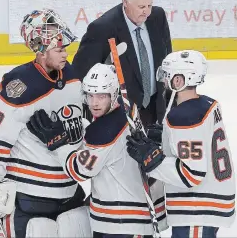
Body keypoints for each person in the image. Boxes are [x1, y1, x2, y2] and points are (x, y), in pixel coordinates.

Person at [0, 9, 92, 238]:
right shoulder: (18, 86)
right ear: (40, 49)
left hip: (70, 192)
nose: (65, 53)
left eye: (65, 48)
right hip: (30, 198)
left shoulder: (73, 77)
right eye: (58, 48)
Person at [30, 63, 168, 238]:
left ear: (113, 94)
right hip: (131, 214)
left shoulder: (103, 131)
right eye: (90, 95)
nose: (94, 103)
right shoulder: (127, 106)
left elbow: (79, 171)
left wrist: (58, 143)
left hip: (121, 221)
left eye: (101, 96)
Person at [126, 50, 236, 238]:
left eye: (166, 77)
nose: (163, 82)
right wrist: (167, 139)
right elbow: (199, 143)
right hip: (206, 206)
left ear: (178, 81)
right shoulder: (206, 104)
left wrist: (152, 159)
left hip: (197, 209)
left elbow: (191, 174)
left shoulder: (184, 117)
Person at [72, 0, 172, 127]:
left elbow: (167, 57)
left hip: (156, 108)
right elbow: (81, 73)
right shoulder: (102, 28)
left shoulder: (158, 17)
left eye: (149, 5)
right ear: (125, 2)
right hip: (121, 115)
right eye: (141, 7)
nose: (147, 12)